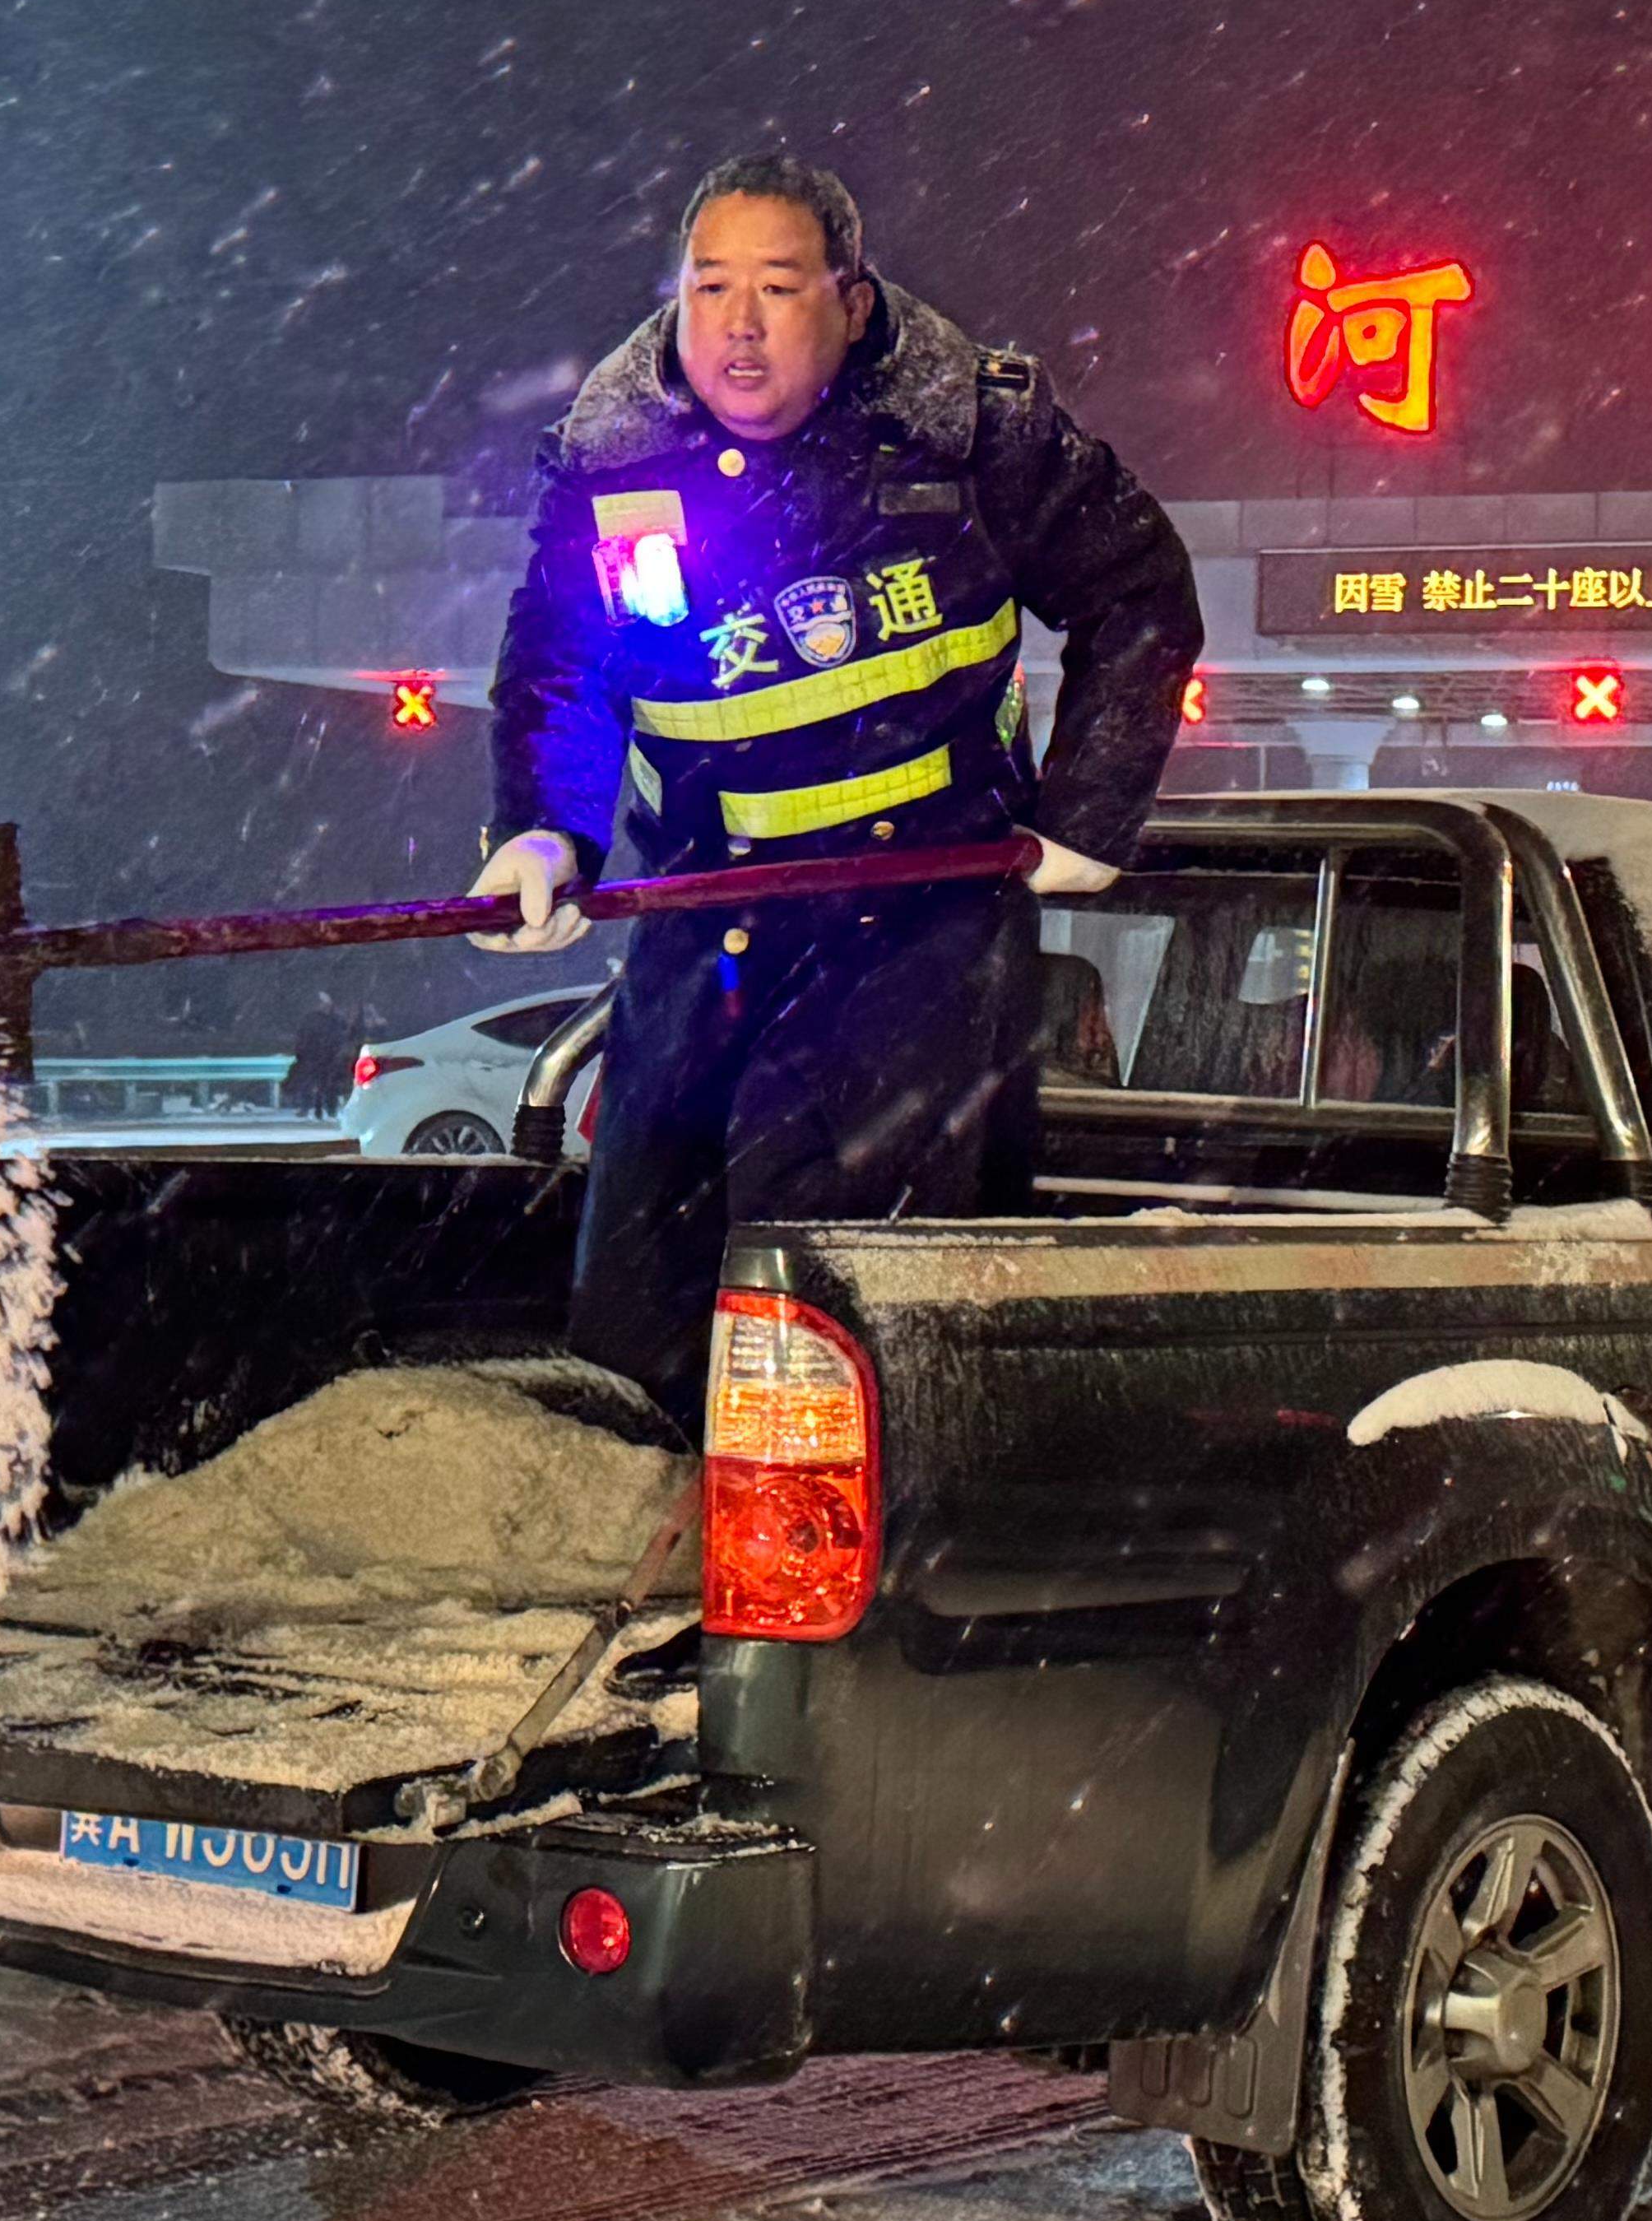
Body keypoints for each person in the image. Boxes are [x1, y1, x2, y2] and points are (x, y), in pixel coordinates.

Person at [472, 151, 1202, 1397]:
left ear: (854, 302)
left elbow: (1136, 595)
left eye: (777, 287)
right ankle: (650, 1555)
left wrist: (1084, 811)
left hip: (924, 921)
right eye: (708, 288)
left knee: (835, 1294)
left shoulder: (972, 432)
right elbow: (560, 673)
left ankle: (839, 1578)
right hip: (700, 923)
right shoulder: (613, 458)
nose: (737, 327)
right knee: (648, 1285)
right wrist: (547, 833)